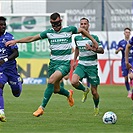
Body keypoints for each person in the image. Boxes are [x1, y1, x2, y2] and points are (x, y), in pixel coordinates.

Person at [5, 12, 98, 117]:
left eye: (58, 23)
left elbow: (81, 30)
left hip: (64, 64)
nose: (56, 26)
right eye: (54, 24)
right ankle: (69, 93)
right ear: (51, 23)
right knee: (56, 89)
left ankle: (41, 108)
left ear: (61, 21)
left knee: (51, 80)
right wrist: (16, 41)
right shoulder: (48, 33)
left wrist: (94, 41)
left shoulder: (69, 30)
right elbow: (31, 38)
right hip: (53, 64)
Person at [71, 17, 104, 116]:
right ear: (80, 26)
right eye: (82, 24)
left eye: (85, 24)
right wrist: (74, 60)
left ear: (88, 25)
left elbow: (101, 50)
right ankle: (85, 90)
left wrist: (92, 49)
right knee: (74, 81)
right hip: (81, 64)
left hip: (92, 66)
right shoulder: (77, 38)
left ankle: (96, 107)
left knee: (94, 92)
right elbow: (77, 48)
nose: (83, 25)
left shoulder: (94, 37)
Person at [0, 16, 23, 122]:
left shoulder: (9, 37)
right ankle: (1, 112)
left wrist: (5, 60)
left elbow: (16, 53)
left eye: (4, 25)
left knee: (16, 93)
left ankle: (19, 81)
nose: (3, 26)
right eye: (1, 25)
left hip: (11, 70)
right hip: (1, 71)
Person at [115, 27, 133, 98]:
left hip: (132, 60)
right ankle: (129, 91)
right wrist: (118, 50)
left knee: (131, 76)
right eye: (126, 32)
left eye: (128, 32)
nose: (127, 34)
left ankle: (132, 92)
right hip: (124, 61)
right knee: (126, 78)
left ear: (130, 33)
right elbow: (116, 52)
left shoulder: (132, 41)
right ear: (124, 33)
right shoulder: (121, 42)